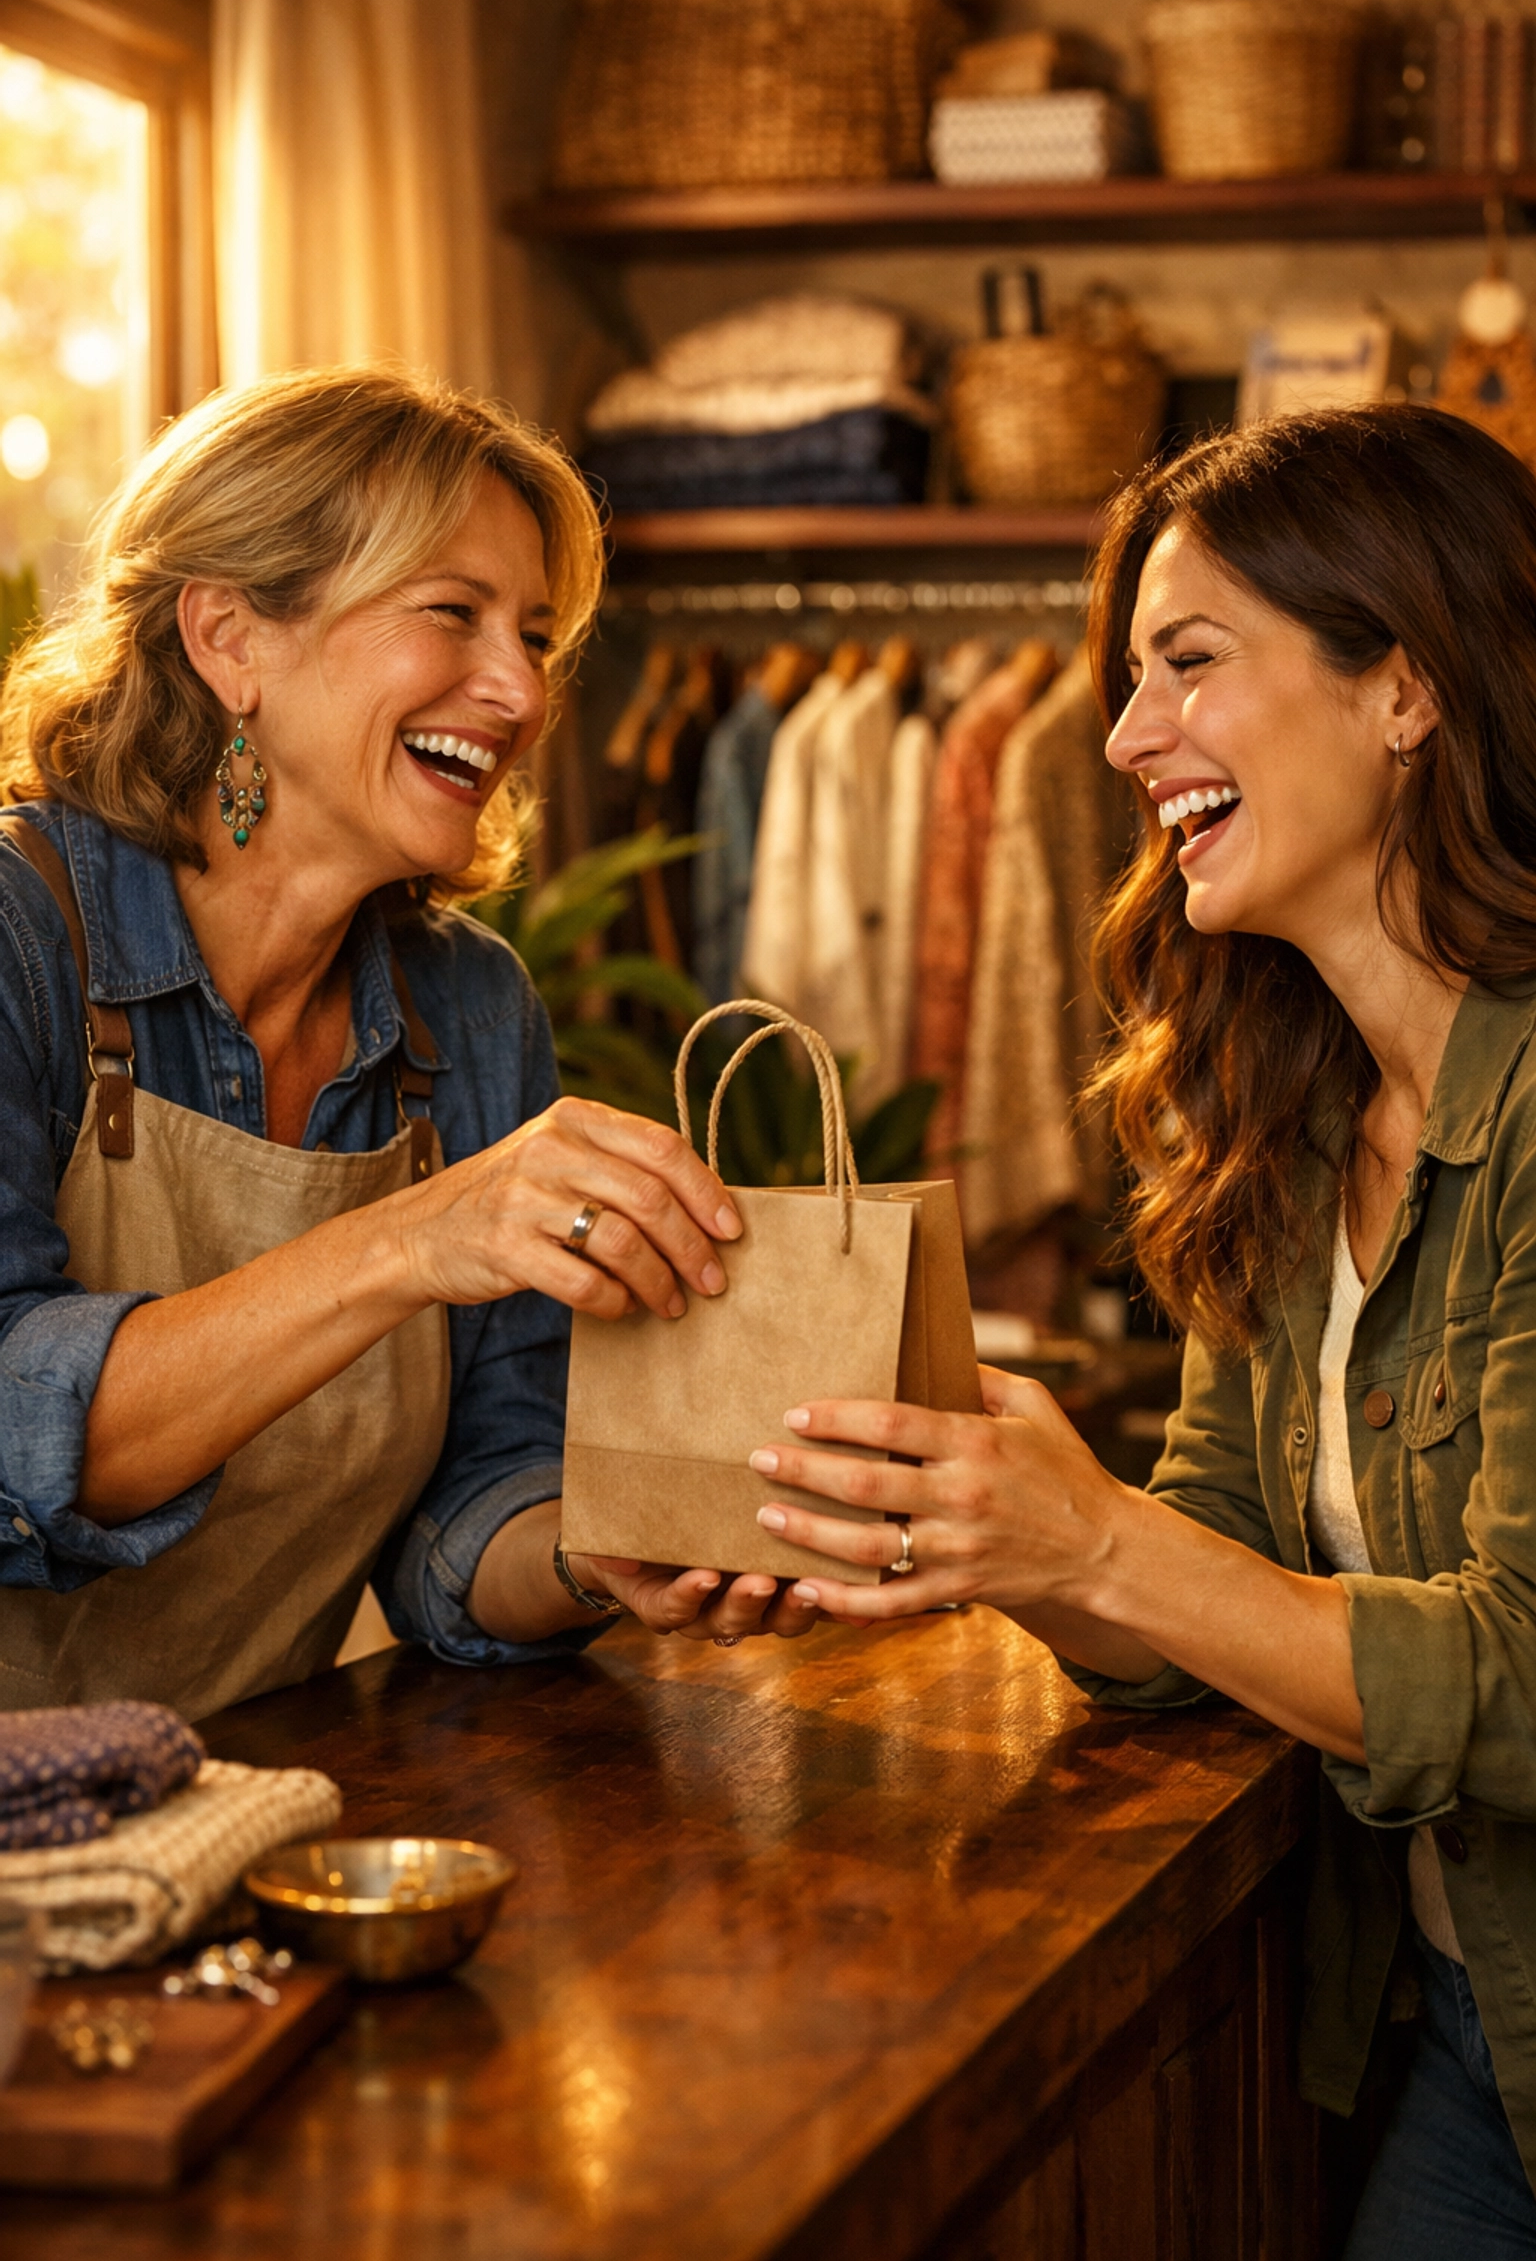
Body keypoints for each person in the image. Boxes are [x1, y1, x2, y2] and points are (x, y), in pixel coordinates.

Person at [748, 405, 1536, 2255]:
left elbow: (1521, 1681)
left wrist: (1093, 1534)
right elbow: (1217, 1576)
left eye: (1189, 663)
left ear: (1406, 687)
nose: (1118, 738)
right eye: (1125, 683)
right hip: (1462, 2039)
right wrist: (981, 1527)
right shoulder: (1289, 1110)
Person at [0, 365, 811, 1724]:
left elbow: (466, 1519)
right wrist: (410, 1239)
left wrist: (597, 1550)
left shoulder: (472, 1011)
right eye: (453, 614)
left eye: (536, 637)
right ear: (230, 639)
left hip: (235, 1826)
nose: (517, 691)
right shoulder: (21, 939)